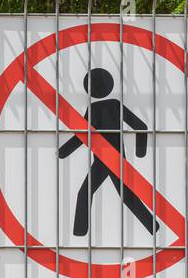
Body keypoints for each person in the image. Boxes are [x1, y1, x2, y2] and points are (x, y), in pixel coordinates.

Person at [57, 67, 154, 237]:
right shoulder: (110, 105)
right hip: (107, 160)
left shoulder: (99, 108)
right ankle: (154, 227)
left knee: (90, 194)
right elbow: (141, 128)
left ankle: (79, 234)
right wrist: (140, 151)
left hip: (110, 160)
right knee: (123, 198)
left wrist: (63, 151)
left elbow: (83, 136)